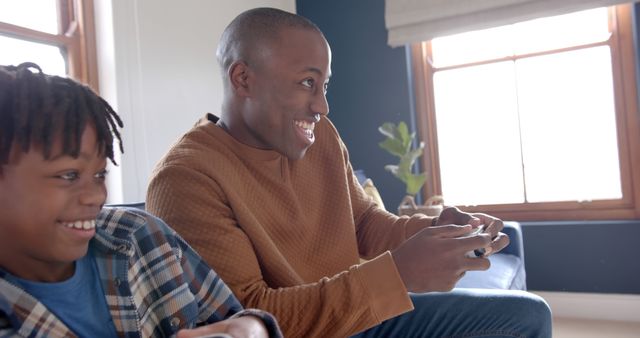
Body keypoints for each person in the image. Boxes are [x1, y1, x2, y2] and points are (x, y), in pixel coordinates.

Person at [146, 7, 552, 338]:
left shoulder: (319, 138)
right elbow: (250, 317)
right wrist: (398, 274)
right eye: (307, 82)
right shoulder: (185, 179)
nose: (321, 106)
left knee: (528, 317)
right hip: (310, 330)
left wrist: (435, 230)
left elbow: (364, 223)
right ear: (243, 79)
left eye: (325, 85)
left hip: (358, 316)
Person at [0, 62, 282, 338]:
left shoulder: (142, 236)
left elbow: (235, 316)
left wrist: (253, 328)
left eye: (99, 175)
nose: (97, 196)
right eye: (69, 175)